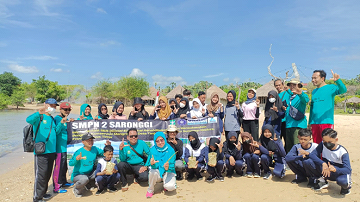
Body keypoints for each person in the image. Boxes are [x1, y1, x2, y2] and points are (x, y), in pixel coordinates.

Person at [26, 98, 67, 202]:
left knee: (47, 174)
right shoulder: (39, 117)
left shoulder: (52, 119)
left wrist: (61, 123)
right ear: (45, 105)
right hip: (41, 151)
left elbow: (56, 132)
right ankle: (37, 198)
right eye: (50, 105)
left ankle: (43, 193)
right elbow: (28, 120)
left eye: (54, 106)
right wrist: (38, 113)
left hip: (51, 151)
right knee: (41, 175)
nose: (52, 107)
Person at [305, 128, 352, 195]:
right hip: (326, 170)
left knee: (343, 181)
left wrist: (335, 169)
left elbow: (348, 170)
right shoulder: (322, 144)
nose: (327, 144)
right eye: (324, 141)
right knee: (308, 162)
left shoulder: (343, 152)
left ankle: (346, 188)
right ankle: (322, 181)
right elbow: (312, 155)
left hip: (338, 173)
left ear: (336, 140)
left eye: (330, 142)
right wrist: (323, 163)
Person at [309, 70, 347, 144]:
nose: (313, 80)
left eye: (315, 78)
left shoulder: (331, 87)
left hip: (326, 122)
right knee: (317, 145)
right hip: (314, 123)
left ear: (322, 78)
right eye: (312, 78)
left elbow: (343, 90)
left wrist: (338, 81)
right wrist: (310, 122)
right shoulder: (314, 91)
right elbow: (312, 108)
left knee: (327, 144)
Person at [69, 133, 111, 198]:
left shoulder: (94, 149)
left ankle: (89, 184)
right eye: (88, 140)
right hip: (78, 175)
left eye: (91, 140)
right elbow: (70, 163)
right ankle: (76, 189)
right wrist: (76, 159)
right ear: (83, 142)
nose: (90, 142)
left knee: (102, 169)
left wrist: (108, 147)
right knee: (84, 179)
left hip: (90, 173)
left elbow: (105, 154)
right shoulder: (79, 152)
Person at [52, 102, 75, 194]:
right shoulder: (57, 119)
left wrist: (71, 122)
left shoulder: (65, 119)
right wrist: (61, 123)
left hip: (67, 148)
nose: (67, 111)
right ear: (60, 109)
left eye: (69, 109)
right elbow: (56, 132)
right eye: (65, 109)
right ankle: (57, 186)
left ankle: (64, 181)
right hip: (59, 148)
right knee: (58, 167)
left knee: (64, 166)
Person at [146, 132, 177, 198]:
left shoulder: (171, 150)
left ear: (165, 140)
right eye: (157, 141)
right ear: (155, 141)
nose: (160, 143)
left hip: (168, 172)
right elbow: (154, 167)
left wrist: (167, 168)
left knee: (170, 187)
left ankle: (165, 184)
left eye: (162, 140)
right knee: (152, 172)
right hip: (158, 172)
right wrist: (152, 164)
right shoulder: (152, 150)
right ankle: (150, 190)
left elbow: (172, 165)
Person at [282, 78, 310, 153]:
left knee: (298, 147)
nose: (292, 87)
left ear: (299, 86)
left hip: (298, 126)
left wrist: (300, 93)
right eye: (290, 85)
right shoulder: (290, 97)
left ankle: (299, 164)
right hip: (289, 125)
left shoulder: (301, 96)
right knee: (289, 147)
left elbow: (306, 100)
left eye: (294, 85)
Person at [274, 79, 288, 150]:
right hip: (278, 121)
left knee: (287, 140)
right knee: (278, 140)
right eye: (276, 85)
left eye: (279, 85)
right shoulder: (275, 95)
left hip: (286, 120)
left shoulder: (287, 93)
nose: (278, 87)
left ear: (283, 84)